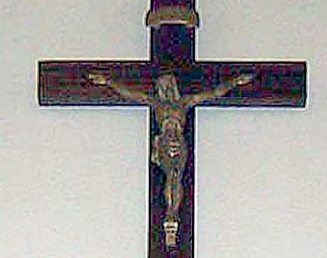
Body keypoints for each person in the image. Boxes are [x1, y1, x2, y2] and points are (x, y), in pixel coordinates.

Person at [87, 70, 254, 247]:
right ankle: (171, 213)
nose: (167, 88)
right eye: (164, 85)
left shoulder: (185, 102)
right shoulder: (156, 103)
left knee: (176, 174)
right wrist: (108, 81)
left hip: (178, 142)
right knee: (171, 174)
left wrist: (235, 81)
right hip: (165, 142)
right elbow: (130, 93)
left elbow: (214, 93)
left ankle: (172, 213)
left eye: (169, 84)